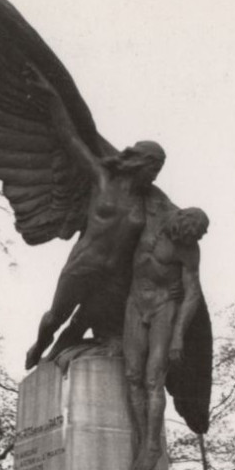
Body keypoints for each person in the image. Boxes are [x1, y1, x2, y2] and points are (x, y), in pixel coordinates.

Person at [23, 67, 166, 370]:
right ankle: (39, 346)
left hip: (113, 278)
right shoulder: (103, 181)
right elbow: (70, 138)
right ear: (138, 162)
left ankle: (57, 358)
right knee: (54, 318)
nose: (155, 175)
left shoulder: (149, 204)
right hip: (83, 265)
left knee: (82, 322)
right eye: (153, 167)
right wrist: (52, 98)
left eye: (158, 170)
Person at [122, 205, 209, 470]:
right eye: (182, 235)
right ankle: (141, 437)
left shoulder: (189, 250)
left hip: (163, 307)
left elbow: (193, 293)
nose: (184, 241)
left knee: (152, 378)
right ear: (179, 219)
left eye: (189, 239)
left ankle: (151, 444)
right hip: (135, 303)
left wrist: (178, 336)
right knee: (133, 374)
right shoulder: (149, 218)